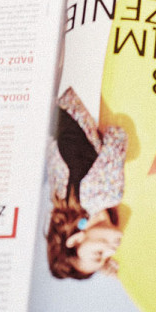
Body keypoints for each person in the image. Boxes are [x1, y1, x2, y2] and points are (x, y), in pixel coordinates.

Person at [43, 84, 125, 280]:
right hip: (56, 94)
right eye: (106, 257)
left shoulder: (104, 194)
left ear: (75, 240)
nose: (111, 252)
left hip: (86, 87)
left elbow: (118, 135)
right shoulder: (67, 200)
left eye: (98, 253)